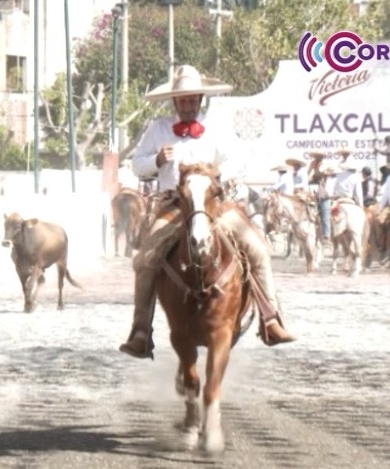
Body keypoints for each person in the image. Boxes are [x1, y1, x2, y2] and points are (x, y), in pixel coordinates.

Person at [119, 65, 294, 359]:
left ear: (200, 99)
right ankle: (140, 331)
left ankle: (270, 318)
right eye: (182, 100)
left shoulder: (216, 128)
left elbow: (238, 160)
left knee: (257, 249)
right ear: (174, 102)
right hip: (173, 205)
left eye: (192, 99)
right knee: (146, 260)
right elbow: (137, 164)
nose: (187, 105)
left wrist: (216, 177)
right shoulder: (158, 129)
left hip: (215, 205)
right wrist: (157, 160)